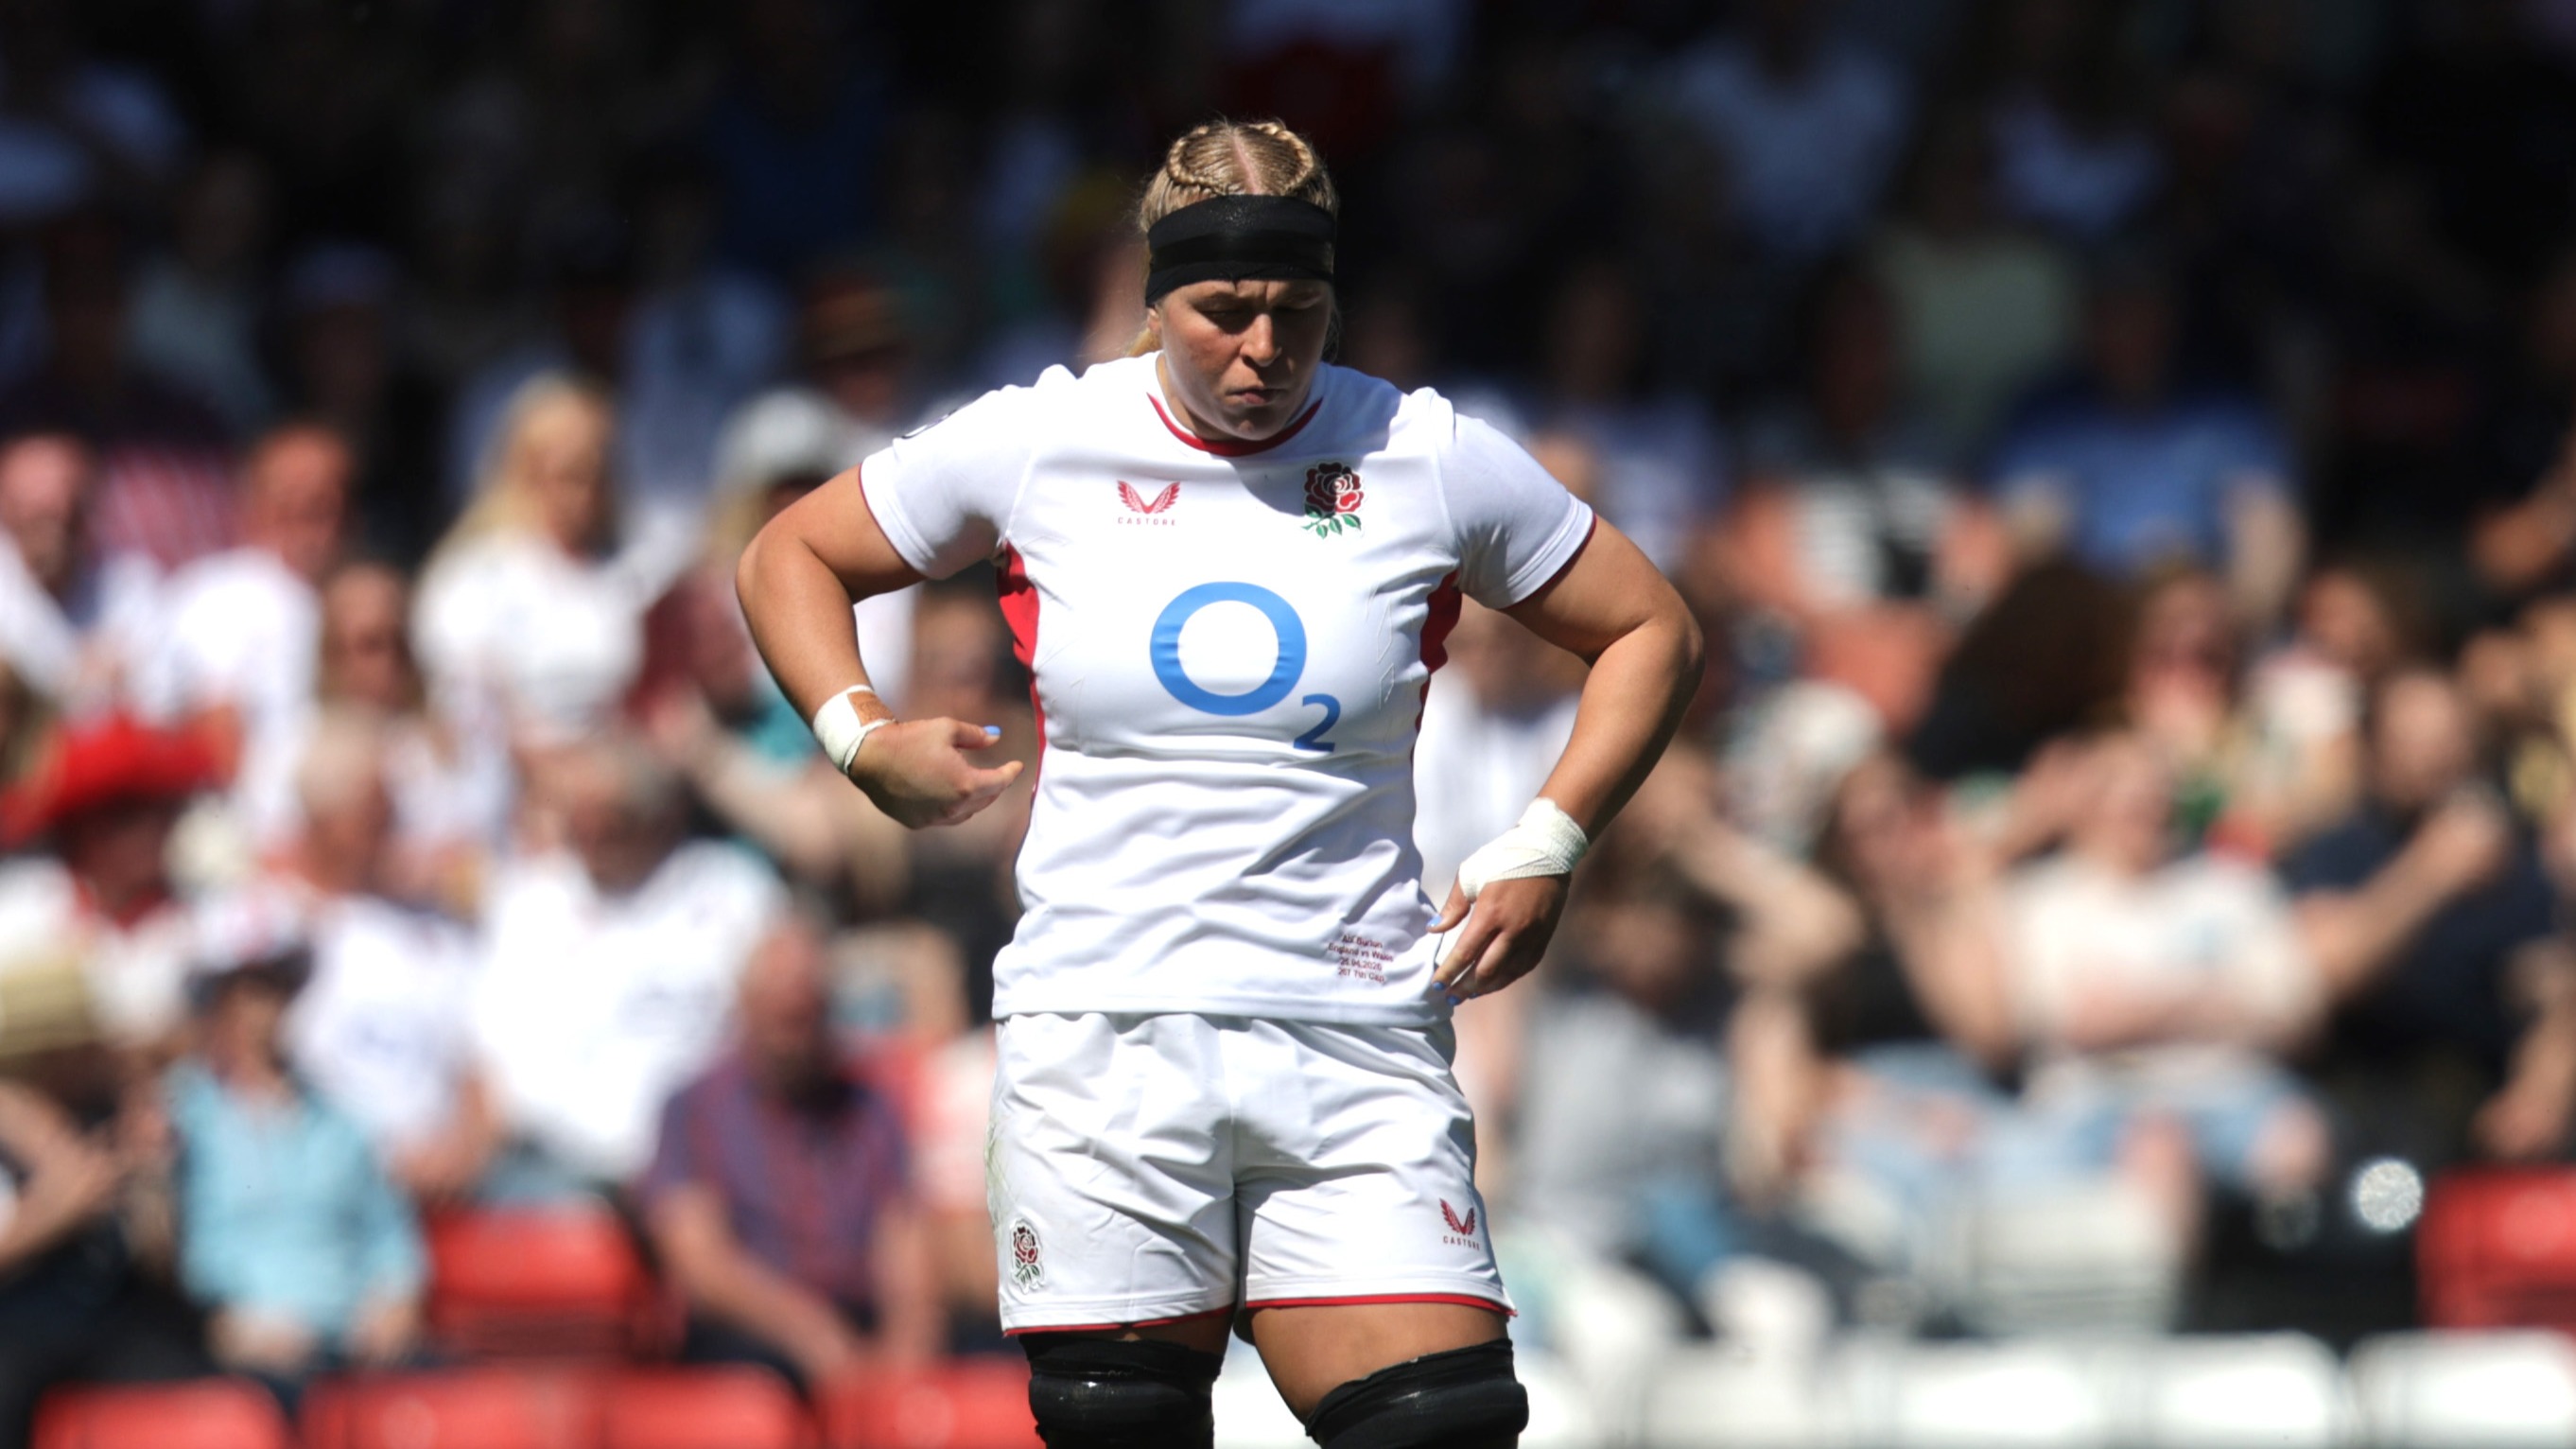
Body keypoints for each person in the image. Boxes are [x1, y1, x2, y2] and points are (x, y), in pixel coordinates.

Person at [737, 119, 1701, 1448]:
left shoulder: (1422, 453)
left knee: (1443, 1427)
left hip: (1353, 1031)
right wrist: (857, 737)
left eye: (1297, 311)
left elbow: (1653, 628)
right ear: (1154, 296)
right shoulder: (1044, 440)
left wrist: (1551, 839)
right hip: (1105, 1039)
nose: (1263, 348)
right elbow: (788, 556)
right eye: (1223, 310)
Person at [639, 917, 941, 1389]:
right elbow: (700, 1263)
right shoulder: (691, 1108)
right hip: (746, 1336)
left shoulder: (870, 1106)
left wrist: (907, 1345)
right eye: (780, 1014)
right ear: (745, 1007)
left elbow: (904, 1240)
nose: (794, 1032)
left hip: (856, 1318)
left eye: (807, 1013)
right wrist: (809, 1333)